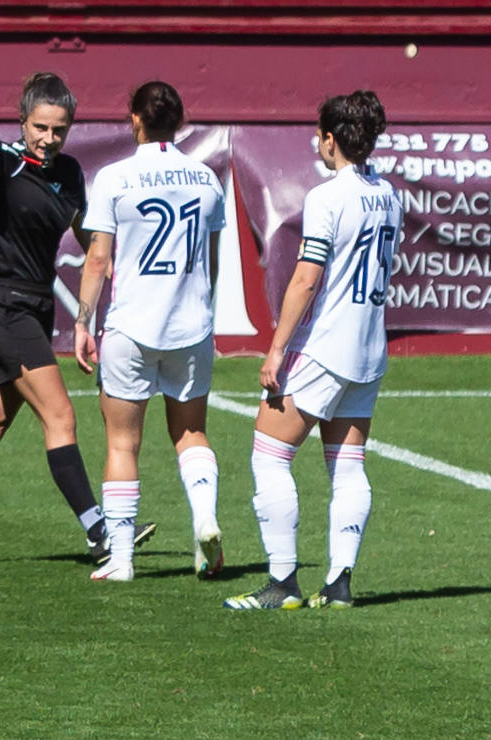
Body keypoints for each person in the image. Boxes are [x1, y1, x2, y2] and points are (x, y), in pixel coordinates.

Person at [0, 41, 155, 566]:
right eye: (40, 127)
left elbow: (90, 236)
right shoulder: (2, 162)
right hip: (6, 309)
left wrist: (116, 261)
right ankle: (100, 533)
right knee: (61, 418)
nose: (49, 139)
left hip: (35, 310)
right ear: (23, 121)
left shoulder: (69, 173)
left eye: (59, 129)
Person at [223, 90, 401, 609]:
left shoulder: (327, 197)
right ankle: (340, 584)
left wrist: (276, 350)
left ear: (330, 139)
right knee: (347, 465)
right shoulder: (391, 195)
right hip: (369, 349)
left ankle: (281, 584)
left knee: (269, 455)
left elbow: (305, 279)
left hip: (324, 347)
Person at [75, 81, 226, 582]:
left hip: (131, 326)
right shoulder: (207, 178)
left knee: (122, 444)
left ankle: (120, 559)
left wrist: (81, 321)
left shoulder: (115, 176)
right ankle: (204, 516)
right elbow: (213, 261)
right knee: (190, 431)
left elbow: (98, 258)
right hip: (190, 326)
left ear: (134, 118)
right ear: (179, 121)